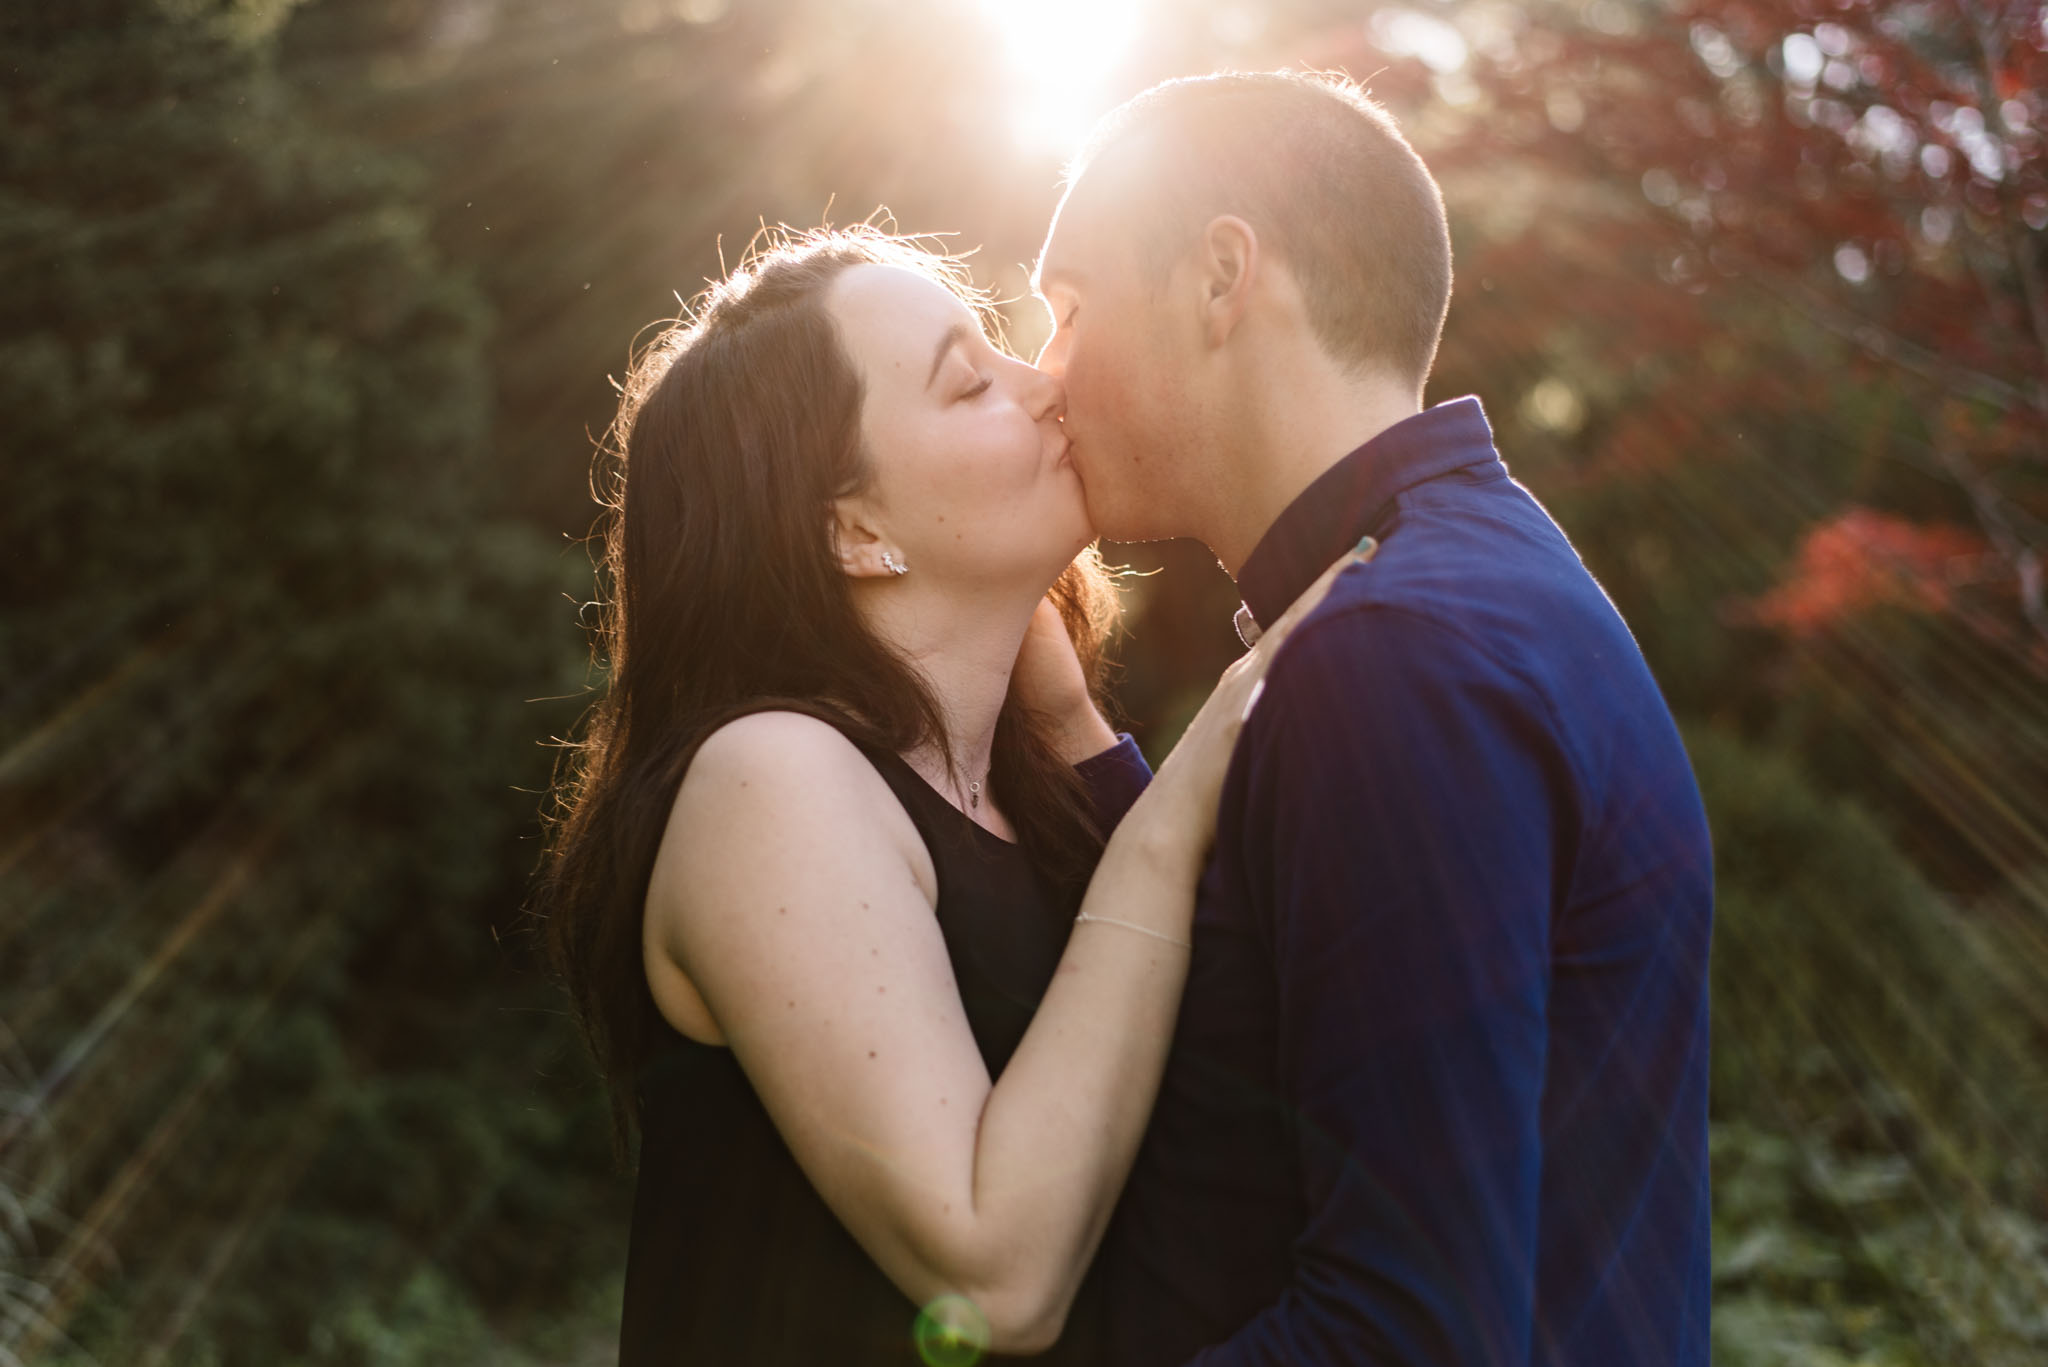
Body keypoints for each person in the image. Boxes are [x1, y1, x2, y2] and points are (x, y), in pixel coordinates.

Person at [533, 226, 1362, 1364]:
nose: (1045, 385)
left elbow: (1213, 1055)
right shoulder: (769, 778)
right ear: (854, 531)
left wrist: (1076, 734)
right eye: (971, 381)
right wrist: (1199, 769)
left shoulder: (1017, 782)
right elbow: (992, 1278)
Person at [1032, 72, 1715, 1365]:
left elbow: (1408, 1332)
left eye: (1068, 309)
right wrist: (1069, 718)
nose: (1046, 376)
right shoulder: (1482, 582)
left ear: (1221, 278)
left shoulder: (1391, 657)